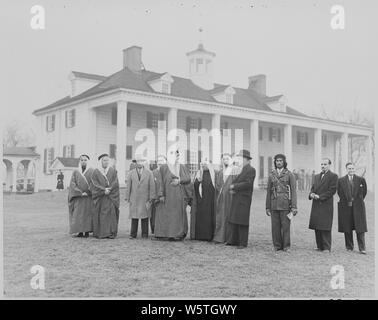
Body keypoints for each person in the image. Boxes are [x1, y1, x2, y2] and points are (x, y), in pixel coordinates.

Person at [154, 149, 192, 241]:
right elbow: (160, 182)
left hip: (178, 196)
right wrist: (161, 194)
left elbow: (188, 179)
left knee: (177, 216)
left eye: (177, 155)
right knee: (165, 215)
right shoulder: (163, 167)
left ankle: (177, 234)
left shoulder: (182, 167)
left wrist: (180, 180)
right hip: (166, 196)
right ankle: (164, 234)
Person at [265, 154, 297, 252]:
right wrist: (267, 207)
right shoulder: (271, 175)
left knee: (285, 226)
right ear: (275, 162)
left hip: (285, 203)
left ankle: (286, 246)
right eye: (277, 161)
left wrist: (294, 206)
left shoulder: (289, 174)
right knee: (275, 227)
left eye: (280, 161)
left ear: (284, 162)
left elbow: (293, 191)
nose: (279, 162)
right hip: (274, 203)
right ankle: (277, 245)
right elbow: (268, 192)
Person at [226, 149, 256, 249]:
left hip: (244, 199)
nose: (239, 160)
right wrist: (233, 188)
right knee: (234, 219)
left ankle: (242, 242)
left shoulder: (251, 170)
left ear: (247, 159)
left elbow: (248, 183)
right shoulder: (240, 169)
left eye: (241, 158)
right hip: (237, 197)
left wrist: (234, 186)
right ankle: (233, 240)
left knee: (242, 221)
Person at [337, 162, 368, 254]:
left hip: (358, 207)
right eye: (349, 168)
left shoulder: (361, 180)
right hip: (346, 207)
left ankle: (362, 248)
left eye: (352, 168)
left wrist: (357, 201)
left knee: (360, 228)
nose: (351, 170)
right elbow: (339, 193)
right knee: (347, 226)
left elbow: (364, 193)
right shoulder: (341, 180)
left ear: (355, 169)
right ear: (346, 169)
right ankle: (349, 247)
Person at [309, 158, 338, 252]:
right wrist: (311, 194)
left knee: (325, 226)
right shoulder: (316, 176)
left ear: (329, 165)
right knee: (317, 225)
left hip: (326, 204)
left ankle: (326, 247)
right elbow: (313, 188)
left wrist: (320, 197)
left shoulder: (333, 176)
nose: (323, 166)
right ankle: (319, 246)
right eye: (322, 164)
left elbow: (332, 190)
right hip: (316, 205)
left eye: (325, 164)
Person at [125, 154, 155, 239]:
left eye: (142, 161)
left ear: (144, 162)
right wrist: (127, 197)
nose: (140, 163)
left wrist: (151, 198)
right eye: (138, 161)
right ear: (136, 162)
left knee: (144, 217)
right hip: (134, 198)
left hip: (145, 198)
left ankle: (145, 234)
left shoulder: (149, 173)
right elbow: (128, 186)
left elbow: (152, 186)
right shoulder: (131, 173)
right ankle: (133, 233)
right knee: (134, 216)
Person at [91, 154, 120, 239]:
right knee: (101, 215)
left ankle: (111, 233)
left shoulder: (112, 171)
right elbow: (94, 184)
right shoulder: (96, 172)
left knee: (111, 215)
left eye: (107, 160)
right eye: (104, 160)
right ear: (101, 161)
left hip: (110, 197)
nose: (106, 162)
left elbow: (115, 182)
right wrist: (103, 190)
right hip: (101, 198)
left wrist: (109, 189)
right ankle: (102, 233)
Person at [68, 154, 95, 238]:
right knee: (78, 214)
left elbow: (94, 182)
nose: (83, 161)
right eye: (82, 160)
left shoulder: (92, 171)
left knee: (87, 214)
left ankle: (86, 231)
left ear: (88, 161)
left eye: (85, 160)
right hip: (79, 197)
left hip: (88, 197)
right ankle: (79, 231)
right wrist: (80, 192)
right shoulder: (76, 171)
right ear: (79, 161)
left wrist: (88, 191)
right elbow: (72, 184)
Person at [190, 158, 216, 241]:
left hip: (209, 201)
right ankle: (199, 236)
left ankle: (208, 236)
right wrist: (199, 182)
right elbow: (194, 186)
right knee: (200, 218)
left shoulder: (213, 174)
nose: (204, 165)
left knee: (208, 218)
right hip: (199, 201)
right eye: (202, 164)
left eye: (205, 164)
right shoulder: (198, 173)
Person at [213, 153, 236, 243]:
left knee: (229, 216)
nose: (225, 160)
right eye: (224, 159)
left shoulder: (235, 171)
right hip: (221, 198)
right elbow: (218, 185)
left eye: (227, 158)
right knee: (220, 216)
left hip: (231, 198)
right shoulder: (220, 172)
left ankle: (229, 237)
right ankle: (220, 237)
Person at [150, 155, 167, 234]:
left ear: (165, 162)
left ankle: (164, 229)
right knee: (154, 215)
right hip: (155, 198)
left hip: (165, 198)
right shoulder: (153, 173)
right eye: (159, 161)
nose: (160, 162)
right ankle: (154, 229)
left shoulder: (168, 172)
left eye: (162, 160)